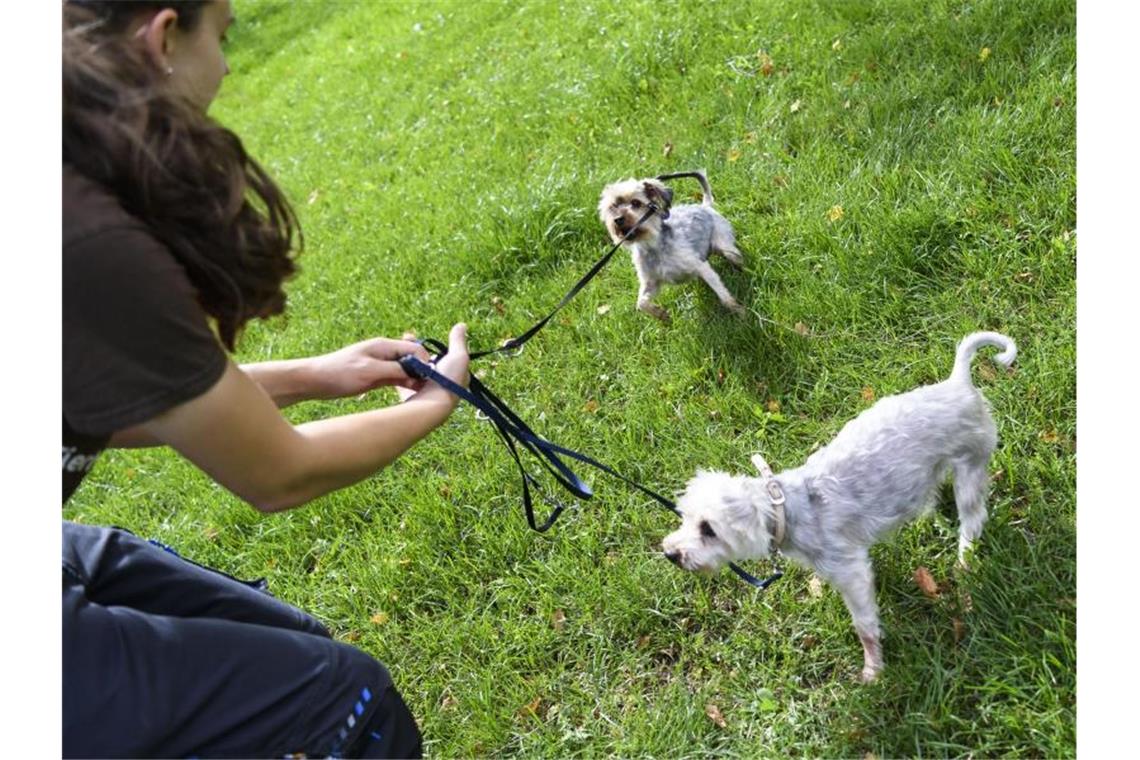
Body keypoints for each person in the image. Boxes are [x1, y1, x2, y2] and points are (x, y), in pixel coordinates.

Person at [62, 0, 469, 755]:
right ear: (162, 39)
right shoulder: (84, 237)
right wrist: (438, 401)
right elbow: (279, 474)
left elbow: (91, 402)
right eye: (223, 36)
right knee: (349, 707)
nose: (225, 64)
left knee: (290, 640)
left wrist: (317, 375)